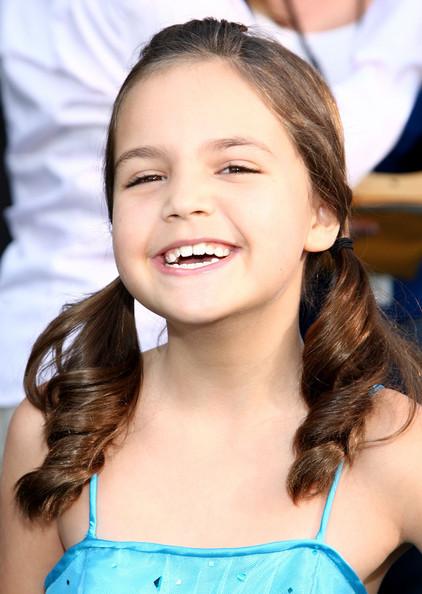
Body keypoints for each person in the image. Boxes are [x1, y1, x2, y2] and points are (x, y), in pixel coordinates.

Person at [1, 19, 421, 594]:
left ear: (322, 214)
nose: (184, 200)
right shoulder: (53, 434)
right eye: (145, 176)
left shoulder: (393, 442)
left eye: (235, 168)